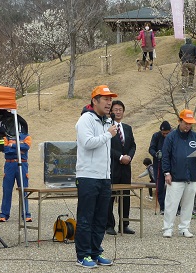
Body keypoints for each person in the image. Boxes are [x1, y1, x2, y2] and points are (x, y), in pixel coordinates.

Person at [74, 85, 118, 268]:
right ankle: (82, 255)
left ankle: (95, 252)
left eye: (110, 99)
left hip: (104, 177)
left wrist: (108, 133)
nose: (109, 103)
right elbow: (88, 142)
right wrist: (107, 135)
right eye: (106, 99)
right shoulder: (85, 119)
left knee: (101, 217)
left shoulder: (108, 121)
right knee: (86, 217)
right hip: (87, 176)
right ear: (95, 100)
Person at [161, 109, 196, 238]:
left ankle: (184, 227)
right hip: (175, 176)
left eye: (190, 123)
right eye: (185, 123)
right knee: (172, 203)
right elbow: (165, 156)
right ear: (179, 121)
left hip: (191, 176)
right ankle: (168, 227)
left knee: (188, 204)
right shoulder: (171, 137)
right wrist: (167, 173)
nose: (188, 126)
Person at [106, 100, 136, 236]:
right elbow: (107, 146)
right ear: (111, 111)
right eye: (115, 109)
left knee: (125, 197)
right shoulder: (107, 126)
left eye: (120, 110)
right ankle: (109, 225)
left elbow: (132, 145)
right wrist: (120, 157)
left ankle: (124, 224)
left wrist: (129, 156)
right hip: (112, 166)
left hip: (126, 168)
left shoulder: (128, 128)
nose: (118, 112)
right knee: (110, 197)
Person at [0, 131, 32, 223]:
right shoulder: (6, 137)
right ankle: (4, 215)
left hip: (22, 164)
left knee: (23, 190)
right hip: (9, 164)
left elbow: (26, 147)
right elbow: (5, 149)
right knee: (7, 190)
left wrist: (12, 145)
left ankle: (26, 214)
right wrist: (18, 149)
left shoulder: (26, 136)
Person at [149, 121, 171, 215]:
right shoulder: (156, 136)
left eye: (167, 133)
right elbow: (151, 148)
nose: (165, 135)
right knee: (160, 187)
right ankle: (162, 207)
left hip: (170, 164)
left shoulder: (173, 135)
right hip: (158, 164)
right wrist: (156, 154)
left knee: (172, 186)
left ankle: (175, 207)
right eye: (163, 133)